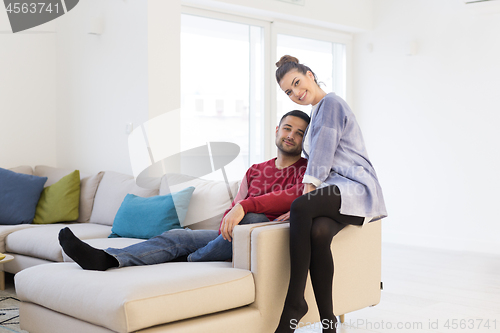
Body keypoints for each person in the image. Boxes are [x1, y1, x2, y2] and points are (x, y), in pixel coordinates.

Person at [58, 110, 310, 271]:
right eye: (287, 128)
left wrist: (244, 209)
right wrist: (230, 218)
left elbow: (288, 199)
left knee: (251, 220)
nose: (291, 136)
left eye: (299, 133)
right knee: (178, 236)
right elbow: (235, 206)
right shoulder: (255, 169)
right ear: (277, 130)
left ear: (304, 141)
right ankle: (107, 259)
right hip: (228, 237)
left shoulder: (308, 172)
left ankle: (191, 258)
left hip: (259, 239)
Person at [273, 56, 388, 333]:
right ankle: (329, 324)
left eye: (297, 83)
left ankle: (294, 302)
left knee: (301, 207)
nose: (296, 93)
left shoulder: (330, 104)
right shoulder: (316, 115)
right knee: (319, 233)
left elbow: (323, 153)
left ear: (310, 75)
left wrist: (307, 199)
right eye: (289, 92)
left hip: (356, 187)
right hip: (339, 192)